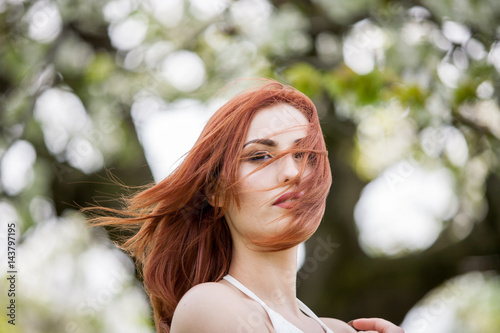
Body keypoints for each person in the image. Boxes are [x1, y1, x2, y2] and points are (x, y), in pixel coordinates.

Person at [89, 79, 404, 333]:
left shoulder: (339, 330)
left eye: (303, 155)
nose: (292, 173)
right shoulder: (210, 307)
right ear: (216, 191)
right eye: (260, 156)